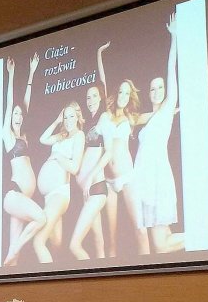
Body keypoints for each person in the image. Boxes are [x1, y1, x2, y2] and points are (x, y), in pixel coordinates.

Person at [134, 13, 184, 254]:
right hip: (144, 182)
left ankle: (203, 235)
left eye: (160, 87)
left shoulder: (166, 111)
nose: (156, 91)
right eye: (152, 89)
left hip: (157, 179)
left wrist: (174, 37)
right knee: (161, 245)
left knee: (161, 246)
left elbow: (170, 70)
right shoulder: (147, 117)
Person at [99, 47, 149, 257]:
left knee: (140, 229)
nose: (123, 95)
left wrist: (175, 109)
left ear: (130, 97)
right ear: (116, 93)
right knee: (110, 240)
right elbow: (102, 82)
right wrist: (99, 54)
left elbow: (156, 114)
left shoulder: (131, 118)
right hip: (108, 181)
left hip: (127, 177)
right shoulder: (105, 114)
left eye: (127, 93)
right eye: (121, 91)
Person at [3, 54, 46, 266]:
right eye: (15, 114)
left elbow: (25, 104)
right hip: (14, 195)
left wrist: (32, 72)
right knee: (41, 218)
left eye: (20, 114)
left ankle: (10, 260)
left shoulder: (24, 136)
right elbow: (11, 104)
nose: (18, 117)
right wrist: (11, 75)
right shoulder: (8, 135)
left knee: (15, 261)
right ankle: (12, 252)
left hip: (21, 199)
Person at [70, 43, 112, 260]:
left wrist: (98, 54)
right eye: (88, 97)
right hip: (88, 189)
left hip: (95, 187)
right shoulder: (88, 123)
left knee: (74, 245)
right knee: (98, 241)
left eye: (94, 96)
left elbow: (108, 153)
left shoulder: (104, 118)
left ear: (101, 97)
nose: (91, 100)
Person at [33, 101, 86, 263]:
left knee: (38, 241)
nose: (68, 120)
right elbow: (42, 139)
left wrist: (57, 156)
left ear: (77, 117)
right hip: (49, 196)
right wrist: (56, 121)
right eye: (65, 117)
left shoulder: (79, 135)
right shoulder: (62, 136)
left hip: (59, 193)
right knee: (56, 245)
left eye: (71, 116)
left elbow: (75, 167)